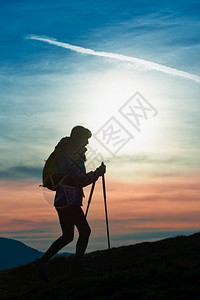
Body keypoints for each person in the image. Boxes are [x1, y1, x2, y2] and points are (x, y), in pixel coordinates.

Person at [35, 126, 106, 281]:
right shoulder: (69, 155)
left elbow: (76, 178)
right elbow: (77, 179)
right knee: (84, 231)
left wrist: (94, 175)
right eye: (85, 139)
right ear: (78, 138)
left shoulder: (70, 154)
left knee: (67, 236)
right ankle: (75, 267)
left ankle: (42, 263)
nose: (87, 143)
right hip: (68, 200)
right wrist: (96, 174)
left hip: (64, 199)